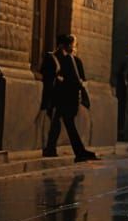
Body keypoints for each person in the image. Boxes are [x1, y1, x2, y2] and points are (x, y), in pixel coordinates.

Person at [41, 33, 99, 163]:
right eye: (71, 45)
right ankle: (77, 151)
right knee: (65, 123)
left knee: (64, 123)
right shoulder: (61, 58)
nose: (73, 48)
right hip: (64, 97)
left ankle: (58, 149)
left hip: (65, 97)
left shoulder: (69, 58)